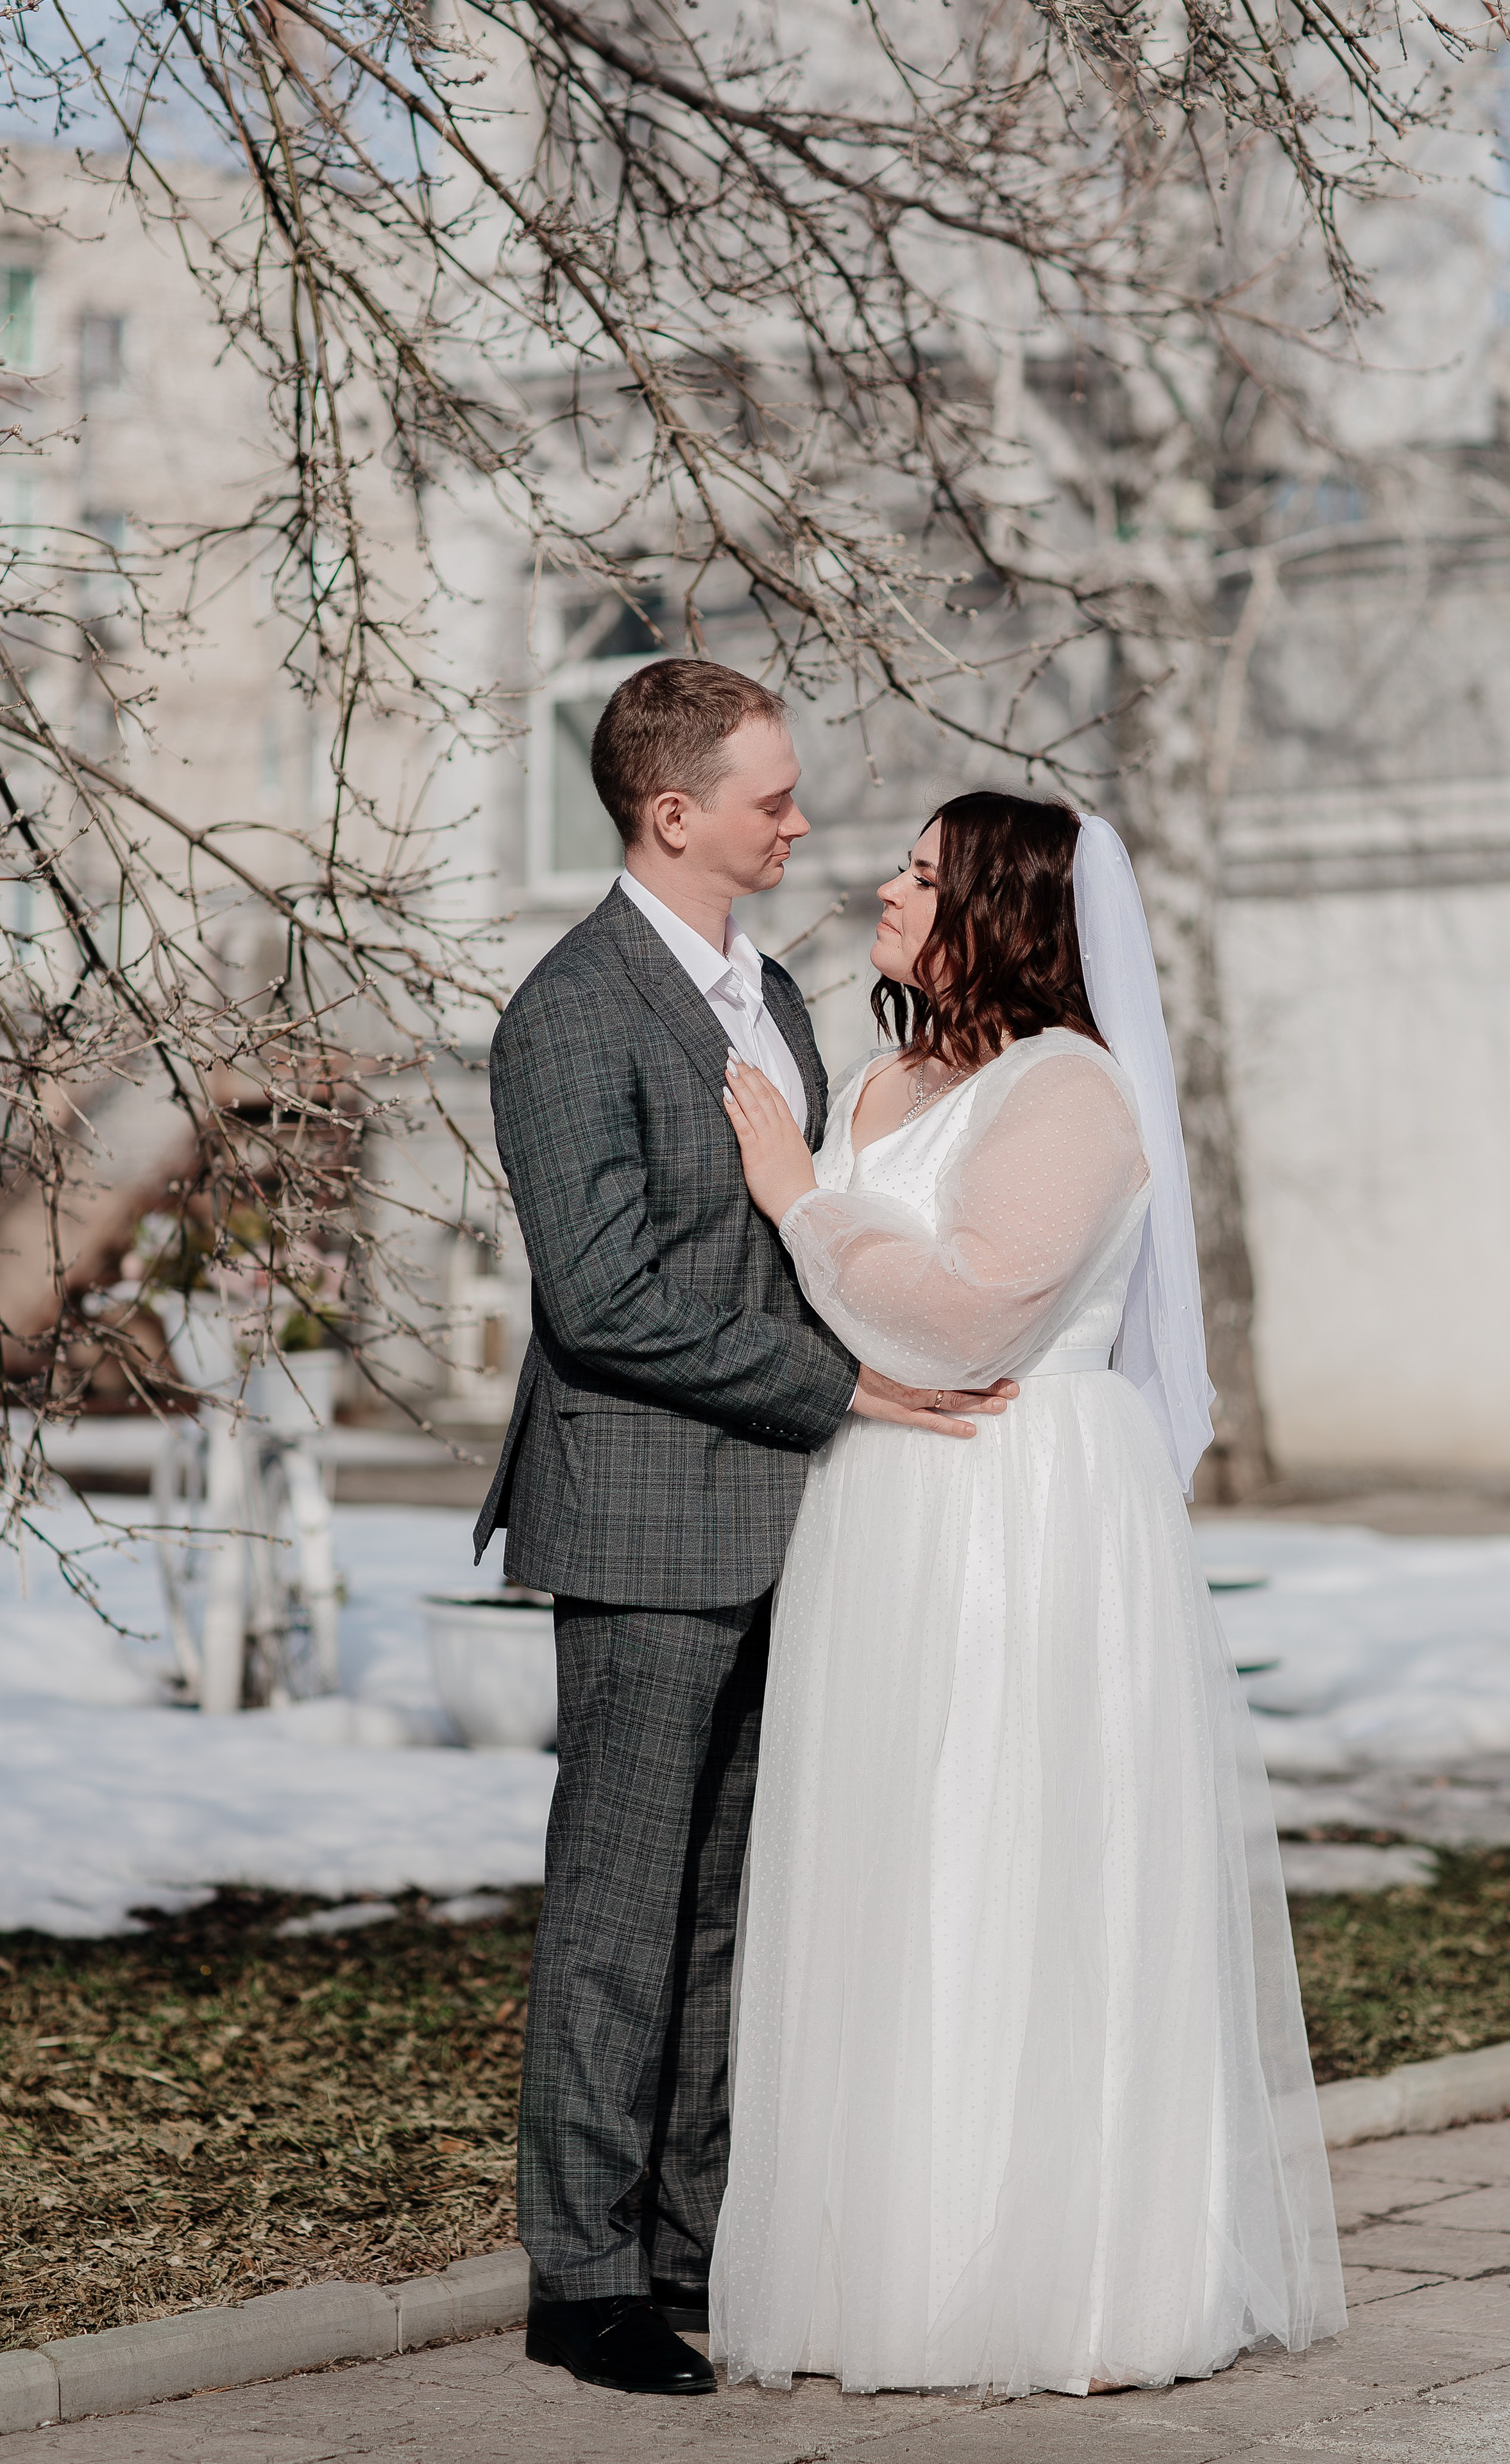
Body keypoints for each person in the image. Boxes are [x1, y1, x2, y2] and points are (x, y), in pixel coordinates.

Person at [711, 792, 1346, 2396]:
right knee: (886, 1865)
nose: (882, 882)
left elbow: (968, 1315)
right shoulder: (883, 1080)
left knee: (1006, 1846)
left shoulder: (1069, 1093)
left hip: (1021, 1509)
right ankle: (888, 2270)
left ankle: (1054, 2279)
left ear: (997, 908)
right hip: (883, 1515)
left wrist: (796, 1196)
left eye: (922, 873)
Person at [475, 662, 1012, 2397]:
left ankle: (697, 2241)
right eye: (771, 798)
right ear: (673, 812)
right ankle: (585, 2278)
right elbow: (611, 1298)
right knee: (624, 1909)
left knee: (730, 1909)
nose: (799, 821)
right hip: (643, 1516)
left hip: (794, 1524)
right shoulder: (571, 1012)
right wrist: (846, 1389)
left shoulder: (774, 989)